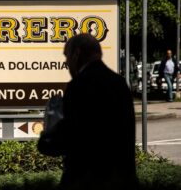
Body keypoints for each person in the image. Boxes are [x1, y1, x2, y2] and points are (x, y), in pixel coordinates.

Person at [38, 34, 137, 190]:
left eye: (67, 56)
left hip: (86, 180)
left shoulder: (79, 85)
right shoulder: (119, 83)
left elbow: (72, 138)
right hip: (122, 179)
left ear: (77, 54)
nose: (67, 63)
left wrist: (48, 134)